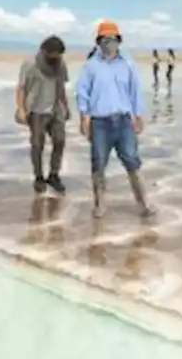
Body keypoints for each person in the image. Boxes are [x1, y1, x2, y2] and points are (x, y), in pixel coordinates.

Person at [76, 20, 155, 218]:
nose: (108, 43)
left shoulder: (128, 64)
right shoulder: (91, 66)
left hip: (124, 122)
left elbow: (135, 91)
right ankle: (100, 205)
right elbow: (82, 92)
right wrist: (83, 117)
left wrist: (138, 115)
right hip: (99, 123)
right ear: (98, 42)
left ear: (119, 41)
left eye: (112, 39)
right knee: (99, 164)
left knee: (132, 162)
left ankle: (143, 204)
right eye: (104, 39)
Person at [15, 35, 70, 194]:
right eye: (54, 54)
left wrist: (66, 107)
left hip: (55, 110)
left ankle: (54, 175)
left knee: (60, 141)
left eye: (59, 55)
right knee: (37, 145)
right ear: (45, 52)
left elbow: (61, 87)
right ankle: (38, 177)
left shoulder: (61, 64)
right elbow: (21, 88)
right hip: (36, 111)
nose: (57, 57)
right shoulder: (30, 64)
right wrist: (21, 109)